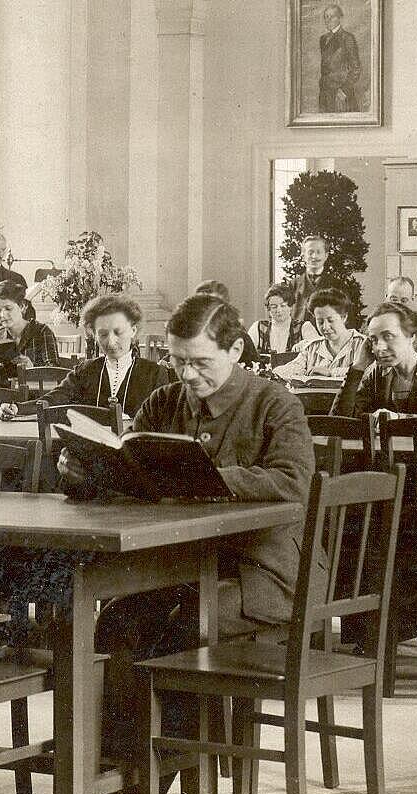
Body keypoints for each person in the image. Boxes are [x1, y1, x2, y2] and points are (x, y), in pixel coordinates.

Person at [59, 293, 314, 761]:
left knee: (182, 632)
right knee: (117, 622)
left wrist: (209, 478)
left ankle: (151, 777)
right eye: (177, 362)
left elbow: (293, 481)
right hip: (180, 567)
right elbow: (130, 465)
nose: (187, 375)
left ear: (236, 351)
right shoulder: (165, 400)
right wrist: (86, 470)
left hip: (262, 575)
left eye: (200, 363)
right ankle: (116, 773)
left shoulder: (275, 405)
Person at [0, 294, 171, 418]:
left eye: (118, 332)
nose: (111, 342)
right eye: (103, 334)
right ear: (94, 334)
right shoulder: (86, 370)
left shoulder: (155, 374)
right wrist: (17, 409)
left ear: (133, 330)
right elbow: (54, 398)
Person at [331, 301, 417, 420]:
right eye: (374, 339)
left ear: (411, 336)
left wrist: (399, 419)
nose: (380, 347)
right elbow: (340, 421)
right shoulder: (376, 375)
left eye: (388, 336)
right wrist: (358, 367)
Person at [275, 288, 366, 379]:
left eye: (331, 320)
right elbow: (292, 367)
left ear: (344, 317)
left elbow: (367, 372)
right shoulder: (312, 347)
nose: (325, 327)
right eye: (320, 321)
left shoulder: (362, 344)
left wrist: (331, 372)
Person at [0, 279, 58, 368]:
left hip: (34, 381)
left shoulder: (42, 332)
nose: (2, 315)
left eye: (8, 308)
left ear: (22, 306)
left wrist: (32, 368)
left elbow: (53, 371)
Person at [289, 235, 351, 325]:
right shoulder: (293, 285)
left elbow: (346, 318)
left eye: (319, 252)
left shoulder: (338, 285)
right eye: (310, 252)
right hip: (299, 336)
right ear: (303, 256)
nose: (314, 256)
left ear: (326, 256)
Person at [318, 3, 361, 113]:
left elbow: (356, 68)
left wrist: (344, 90)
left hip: (341, 94)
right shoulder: (323, 39)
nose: (328, 20)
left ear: (339, 18)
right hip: (325, 93)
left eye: (331, 17)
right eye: (326, 17)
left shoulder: (348, 38)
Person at [253, 282, 318, 355]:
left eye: (283, 306)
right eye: (274, 307)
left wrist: (304, 344)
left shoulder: (304, 327)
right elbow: (247, 352)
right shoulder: (258, 327)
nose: (279, 310)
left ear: (290, 307)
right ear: (269, 309)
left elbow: (317, 349)